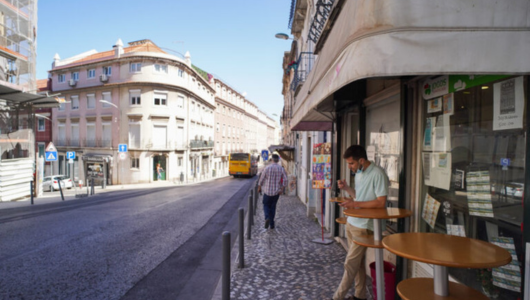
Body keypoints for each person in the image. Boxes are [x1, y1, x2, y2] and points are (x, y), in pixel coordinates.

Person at [331, 145, 389, 300]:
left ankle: (337, 297)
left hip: (365, 226)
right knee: (357, 264)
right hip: (352, 222)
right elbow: (359, 196)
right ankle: (360, 296)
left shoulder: (378, 174)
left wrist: (355, 204)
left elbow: (380, 202)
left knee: (350, 264)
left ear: (361, 160)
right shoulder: (358, 173)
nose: (349, 167)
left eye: (351, 163)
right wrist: (347, 189)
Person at [257, 153, 287, 230]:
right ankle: (272, 224)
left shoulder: (267, 168)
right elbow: (285, 180)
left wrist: (259, 187)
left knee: (266, 205)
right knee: (273, 207)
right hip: (276, 192)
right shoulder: (281, 168)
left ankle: (267, 217)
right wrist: (282, 189)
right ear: (278, 160)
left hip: (267, 191)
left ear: (272, 160)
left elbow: (262, 179)